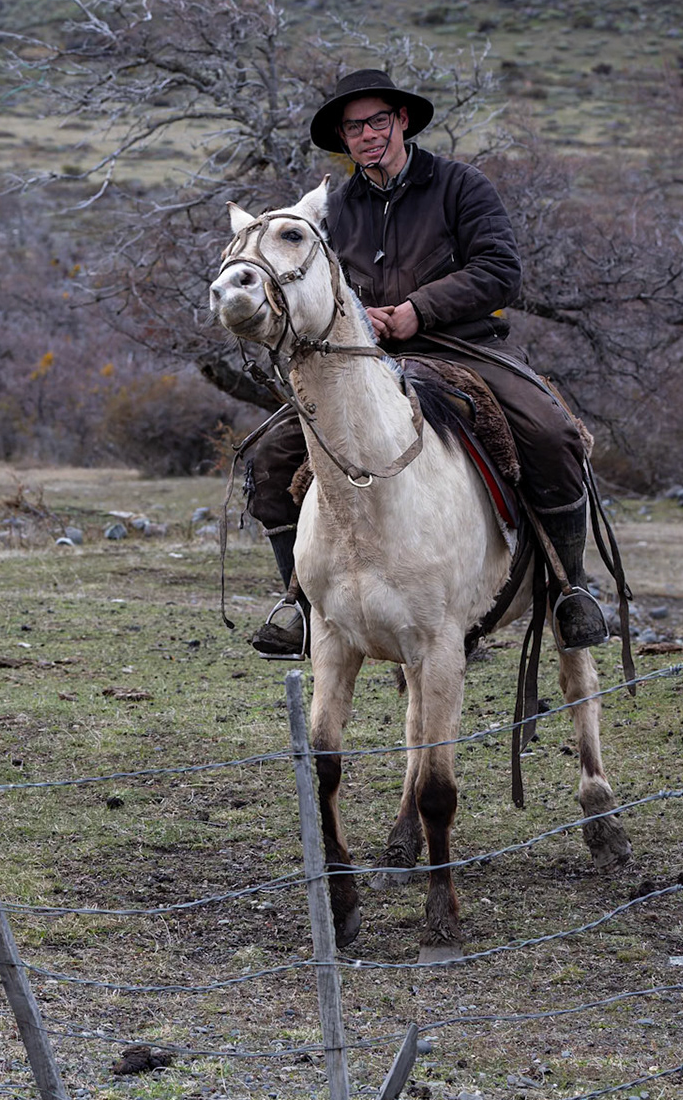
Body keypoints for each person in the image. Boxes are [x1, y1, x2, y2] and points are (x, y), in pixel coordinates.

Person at [246, 68, 609, 658]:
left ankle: (571, 586)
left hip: (465, 348)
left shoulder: (461, 186)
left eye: (377, 122)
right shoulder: (333, 209)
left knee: (551, 432)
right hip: (367, 360)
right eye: (353, 127)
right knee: (273, 455)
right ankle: (300, 600)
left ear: (403, 121)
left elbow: (499, 270)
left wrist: (419, 309)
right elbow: (317, 285)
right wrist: (361, 318)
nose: (366, 135)